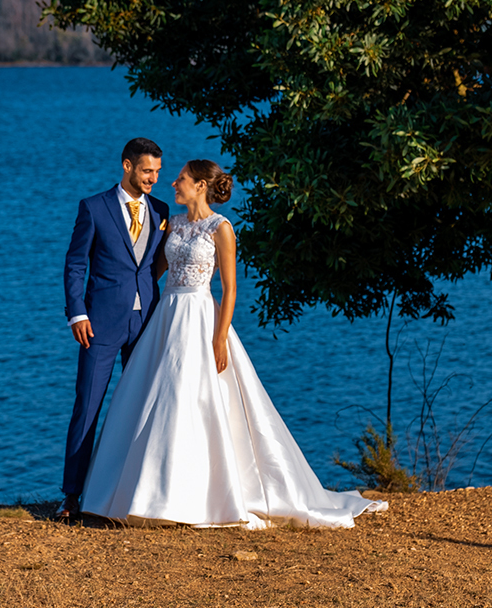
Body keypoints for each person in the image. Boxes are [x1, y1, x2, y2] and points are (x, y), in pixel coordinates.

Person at [80, 159, 387, 529]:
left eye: (180, 179)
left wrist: (220, 336)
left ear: (200, 186)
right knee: (153, 400)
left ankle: (192, 497)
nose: (172, 184)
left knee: (194, 399)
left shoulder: (221, 228)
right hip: (166, 320)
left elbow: (229, 289)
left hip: (201, 315)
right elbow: (151, 272)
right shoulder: (172, 224)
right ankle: (144, 493)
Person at [59, 138, 170, 520]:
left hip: (146, 323)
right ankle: (72, 497)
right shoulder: (93, 208)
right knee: (87, 407)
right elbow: (75, 264)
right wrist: (78, 313)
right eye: (146, 171)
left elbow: (155, 263)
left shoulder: (161, 209)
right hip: (100, 325)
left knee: (141, 408)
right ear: (126, 166)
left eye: (157, 171)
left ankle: (128, 496)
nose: (153, 179)